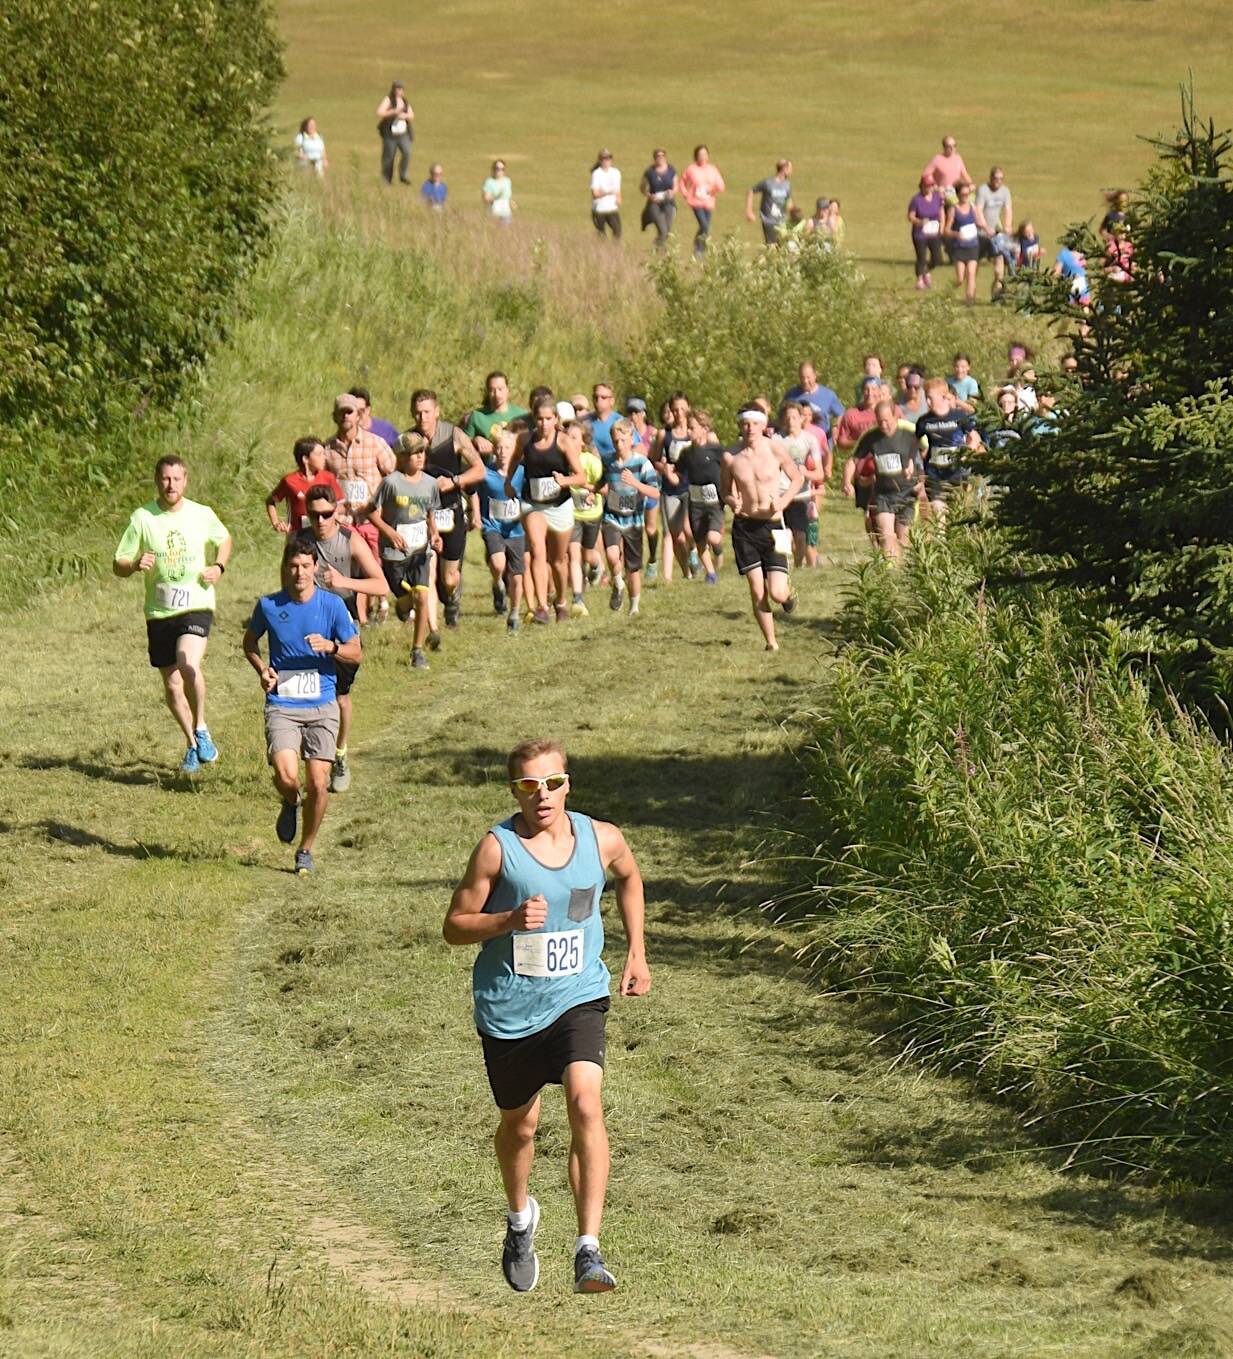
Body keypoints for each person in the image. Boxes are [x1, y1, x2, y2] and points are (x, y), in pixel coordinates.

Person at [443, 738, 651, 1295]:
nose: (543, 796)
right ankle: (519, 1220)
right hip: (511, 1007)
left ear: (568, 784)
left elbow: (629, 877)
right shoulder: (497, 849)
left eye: (553, 783)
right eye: (529, 786)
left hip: (579, 995)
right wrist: (507, 920)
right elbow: (453, 925)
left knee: (586, 1101)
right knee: (521, 1125)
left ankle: (589, 1249)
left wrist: (636, 951)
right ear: (515, 790)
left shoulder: (601, 838)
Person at [242, 536, 361, 875]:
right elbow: (249, 643)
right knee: (286, 776)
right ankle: (291, 801)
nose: (299, 573)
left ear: (316, 568)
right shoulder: (268, 606)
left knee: (319, 783)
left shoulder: (333, 606)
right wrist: (262, 670)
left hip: (323, 704)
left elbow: (356, 653)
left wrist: (331, 646)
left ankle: (305, 849)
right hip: (282, 703)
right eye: (293, 566)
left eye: (306, 566)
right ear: (285, 568)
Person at [113, 455, 231, 774]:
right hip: (159, 610)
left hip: (196, 603)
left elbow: (225, 539)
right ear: (157, 481)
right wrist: (135, 564)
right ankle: (192, 743)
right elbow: (118, 564)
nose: (171, 485)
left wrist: (218, 567)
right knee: (172, 686)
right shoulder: (142, 518)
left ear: (185, 480)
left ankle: (202, 727)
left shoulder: (201, 514)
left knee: (187, 662)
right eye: (165, 479)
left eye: (176, 479)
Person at [302, 483, 386, 792]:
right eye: (314, 515)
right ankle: (312, 756)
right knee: (306, 694)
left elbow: (381, 585)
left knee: (339, 697)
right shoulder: (300, 540)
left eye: (326, 514)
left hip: (343, 626)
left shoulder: (350, 539)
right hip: (307, 627)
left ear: (336, 510)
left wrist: (343, 581)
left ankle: (340, 754)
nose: (320, 521)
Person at [722, 408, 802, 651]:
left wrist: (784, 500)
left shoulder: (775, 448)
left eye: (755, 423)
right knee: (757, 590)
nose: (750, 428)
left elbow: (797, 478)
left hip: (775, 525)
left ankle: (788, 596)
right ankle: (771, 642)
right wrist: (731, 500)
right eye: (745, 424)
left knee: (776, 592)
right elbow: (724, 489)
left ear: (763, 424)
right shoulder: (730, 456)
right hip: (745, 527)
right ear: (740, 426)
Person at [368, 432, 445, 670]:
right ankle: (402, 606)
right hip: (393, 554)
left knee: (422, 596)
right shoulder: (391, 483)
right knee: (405, 599)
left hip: (420, 550)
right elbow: (371, 511)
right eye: (413, 453)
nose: (419, 457)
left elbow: (430, 512)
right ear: (401, 457)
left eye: (422, 452)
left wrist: (434, 533)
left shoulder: (430, 483)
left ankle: (417, 651)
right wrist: (389, 533)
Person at [411, 388, 485, 629]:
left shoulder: (454, 436)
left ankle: (452, 599)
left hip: (451, 512)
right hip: (421, 515)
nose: (423, 418)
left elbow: (479, 470)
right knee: (428, 574)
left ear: (437, 412)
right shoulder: (409, 440)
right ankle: (432, 631)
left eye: (427, 412)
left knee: (449, 578)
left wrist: (453, 482)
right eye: (418, 413)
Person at [507, 399, 586, 624]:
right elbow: (514, 460)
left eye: (548, 419)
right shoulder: (525, 439)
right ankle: (541, 607)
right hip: (533, 504)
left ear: (556, 420)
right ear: (534, 419)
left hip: (559, 505)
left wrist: (564, 481)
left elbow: (581, 477)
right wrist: (507, 482)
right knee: (537, 550)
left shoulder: (564, 442)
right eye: (539, 419)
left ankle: (560, 601)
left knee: (559, 561)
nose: (543, 424)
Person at [325, 392, 394, 625]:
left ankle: (380, 604)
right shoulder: (327, 450)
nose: (345, 416)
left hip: (370, 519)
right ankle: (357, 620)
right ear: (334, 416)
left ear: (358, 415)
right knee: (345, 570)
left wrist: (380, 502)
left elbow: (393, 475)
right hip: (343, 520)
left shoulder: (375, 443)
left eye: (350, 412)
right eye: (341, 412)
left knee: (371, 566)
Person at [601, 418, 660, 614]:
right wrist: (591, 492)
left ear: (631, 438)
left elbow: (655, 492)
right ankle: (618, 584)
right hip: (612, 516)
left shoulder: (642, 463)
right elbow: (602, 485)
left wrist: (635, 483)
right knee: (611, 554)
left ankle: (634, 606)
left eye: (623, 440)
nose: (619, 445)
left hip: (634, 520)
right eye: (615, 441)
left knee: (632, 568)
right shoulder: (608, 462)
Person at [477, 430, 527, 632]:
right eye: (499, 447)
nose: (503, 451)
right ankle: (497, 583)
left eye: (507, 447)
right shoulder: (485, 472)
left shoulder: (522, 472)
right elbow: (473, 491)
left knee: (517, 574)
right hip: (493, 526)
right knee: (498, 564)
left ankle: (514, 613)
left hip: (517, 529)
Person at [864, 400, 921, 559]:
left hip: (907, 494)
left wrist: (915, 468)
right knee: (886, 535)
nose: (883, 425)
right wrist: (848, 481)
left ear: (895, 416)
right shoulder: (872, 438)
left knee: (904, 540)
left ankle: (903, 571)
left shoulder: (909, 434)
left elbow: (925, 447)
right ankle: (890, 569)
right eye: (879, 421)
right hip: (884, 494)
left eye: (886, 420)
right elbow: (854, 459)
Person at [652, 391, 696, 583]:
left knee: (689, 530)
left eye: (683, 409)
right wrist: (663, 467)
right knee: (675, 535)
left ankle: (696, 550)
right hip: (670, 488)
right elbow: (652, 459)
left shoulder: (695, 433)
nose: (679, 414)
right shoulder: (664, 434)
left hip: (692, 486)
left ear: (689, 409)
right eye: (675, 410)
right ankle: (685, 571)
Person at [916, 378, 975, 518]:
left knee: (957, 514)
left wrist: (967, 454)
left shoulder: (959, 416)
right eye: (926, 398)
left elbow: (974, 437)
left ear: (944, 396)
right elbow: (914, 443)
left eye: (931, 398)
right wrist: (919, 458)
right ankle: (941, 537)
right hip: (934, 473)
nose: (928, 402)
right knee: (938, 512)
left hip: (957, 472)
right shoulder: (924, 421)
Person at [777, 402, 826, 568]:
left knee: (800, 537)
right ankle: (783, 568)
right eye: (788, 417)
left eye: (795, 417)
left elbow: (820, 473)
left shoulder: (810, 440)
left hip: (801, 494)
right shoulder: (776, 440)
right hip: (781, 493)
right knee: (783, 535)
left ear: (801, 419)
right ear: (783, 419)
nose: (791, 421)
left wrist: (805, 473)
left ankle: (798, 565)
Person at [564, 415, 605, 616]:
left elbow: (605, 489)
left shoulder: (591, 462)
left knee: (588, 555)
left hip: (592, 515)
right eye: (566, 436)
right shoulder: (563, 461)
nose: (568, 440)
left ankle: (597, 566)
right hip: (572, 515)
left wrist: (590, 490)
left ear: (583, 441)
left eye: (573, 437)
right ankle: (578, 598)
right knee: (574, 554)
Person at [679, 410, 726, 583]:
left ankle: (718, 549)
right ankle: (711, 573)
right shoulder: (686, 454)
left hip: (715, 502)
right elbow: (678, 475)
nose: (688, 432)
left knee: (713, 537)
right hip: (695, 503)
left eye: (692, 428)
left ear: (704, 428)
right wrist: (667, 472)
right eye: (687, 428)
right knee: (699, 541)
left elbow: (729, 470)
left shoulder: (716, 450)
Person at [266, 436, 344, 536]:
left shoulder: (328, 477)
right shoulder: (289, 481)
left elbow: (341, 504)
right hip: (297, 536)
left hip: (324, 535)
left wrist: (333, 515)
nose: (324, 458)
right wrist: (276, 523)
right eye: (320, 454)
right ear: (305, 458)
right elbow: (270, 501)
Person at [464, 371, 530, 456]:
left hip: (517, 466)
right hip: (487, 467)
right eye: (492, 390)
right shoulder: (477, 416)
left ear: (507, 390)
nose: (497, 394)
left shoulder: (522, 415)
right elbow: (463, 442)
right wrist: (475, 440)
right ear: (487, 392)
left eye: (500, 389)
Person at [975, 167, 1016, 297]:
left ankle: (997, 295)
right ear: (991, 178)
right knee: (973, 266)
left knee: (999, 268)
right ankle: (970, 293)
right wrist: (985, 227)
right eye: (995, 179)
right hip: (980, 234)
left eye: (1000, 179)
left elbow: (1008, 210)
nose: (998, 181)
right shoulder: (983, 190)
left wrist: (1008, 226)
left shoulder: (1005, 191)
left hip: (995, 235)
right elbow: (978, 210)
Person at [679, 145, 725, 257]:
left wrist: (712, 188)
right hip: (695, 202)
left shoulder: (712, 169)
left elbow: (721, 185)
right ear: (696, 156)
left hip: (709, 203)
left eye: (705, 154)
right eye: (700, 155)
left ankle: (701, 248)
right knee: (704, 225)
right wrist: (685, 193)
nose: (702, 157)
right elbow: (682, 182)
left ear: (708, 156)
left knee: (706, 227)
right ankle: (698, 247)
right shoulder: (691, 169)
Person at [944, 181, 982, 305]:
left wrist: (987, 229)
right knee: (960, 278)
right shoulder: (953, 210)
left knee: (971, 273)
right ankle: (947, 292)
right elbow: (946, 230)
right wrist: (956, 234)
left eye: (967, 194)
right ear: (958, 195)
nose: (966, 196)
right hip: (959, 247)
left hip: (973, 246)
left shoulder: (973, 207)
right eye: (963, 194)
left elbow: (979, 222)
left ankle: (969, 302)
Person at [782, 361, 844, 437]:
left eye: (808, 377)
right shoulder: (791, 395)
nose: (805, 381)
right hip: (797, 443)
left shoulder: (828, 395)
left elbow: (841, 415)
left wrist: (836, 427)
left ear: (815, 375)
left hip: (821, 443)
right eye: (802, 377)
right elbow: (781, 417)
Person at [907, 175, 945, 290]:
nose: (929, 188)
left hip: (934, 232)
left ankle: (926, 271)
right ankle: (919, 280)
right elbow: (910, 216)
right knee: (921, 257)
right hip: (920, 233)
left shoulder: (937, 197)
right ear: (922, 186)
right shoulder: (916, 200)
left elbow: (941, 211)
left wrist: (942, 227)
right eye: (927, 185)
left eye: (931, 185)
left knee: (937, 258)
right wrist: (919, 221)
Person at [746, 159, 793, 245]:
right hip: (769, 220)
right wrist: (749, 211)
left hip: (782, 221)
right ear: (784, 168)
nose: (791, 171)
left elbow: (788, 201)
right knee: (772, 246)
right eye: (790, 168)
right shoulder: (768, 183)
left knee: (783, 247)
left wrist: (793, 214)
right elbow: (751, 191)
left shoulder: (787, 185)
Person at [376, 80, 413, 185]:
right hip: (390, 134)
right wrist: (393, 112)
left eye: (401, 89)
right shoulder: (388, 100)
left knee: (407, 153)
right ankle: (386, 180)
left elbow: (411, 115)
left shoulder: (405, 101)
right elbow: (379, 112)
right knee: (389, 157)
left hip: (403, 134)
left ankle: (403, 174)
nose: (399, 91)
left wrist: (404, 116)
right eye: (397, 89)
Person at [639, 148, 676, 249]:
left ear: (665, 157)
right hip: (654, 203)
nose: (660, 158)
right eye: (658, 156)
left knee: (667, 231)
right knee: (662, 230)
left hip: (668, 202)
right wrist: (649, 195)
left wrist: (672, 192)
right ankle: (661, 252)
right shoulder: (650, 172)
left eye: (662, 156)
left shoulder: (671, 170)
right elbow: (642, 188)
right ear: (654, 158)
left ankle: (657, 246)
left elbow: (676, 185)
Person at [348, 386, 401, 450]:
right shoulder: (346, 434)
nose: (358, 415)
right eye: (354, 411)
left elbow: (402, 452)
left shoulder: (386, 430)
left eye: (361, 410)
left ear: (368, 410)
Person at [590, 150, 622, 239]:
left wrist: (619, 198)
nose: (606, 161)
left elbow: (617, 188)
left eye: (608, 159)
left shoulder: (616, 172)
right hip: (599, 209)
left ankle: (614, 250)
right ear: (600, 161)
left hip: (612, 208)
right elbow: (595, 193)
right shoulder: (596, 174)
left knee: (617, 231)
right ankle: (602, 251)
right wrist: (607, 192)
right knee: (602, 235)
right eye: (604, 159)